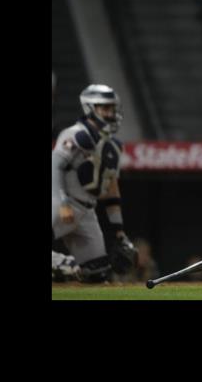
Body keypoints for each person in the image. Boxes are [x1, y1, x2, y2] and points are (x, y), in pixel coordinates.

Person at [51, 84, 138, 283]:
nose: (110, 113)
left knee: (97, 273)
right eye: (104, 108)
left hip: (86, 212)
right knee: (66, 268)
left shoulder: (113, 146)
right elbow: (53, 166)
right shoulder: (75, 135)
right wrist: (61, 202)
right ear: (90, 108)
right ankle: (61, 264)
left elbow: (110, 187)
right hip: (62, 202)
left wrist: (119, 231)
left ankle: (66, 267)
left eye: (112, 108)